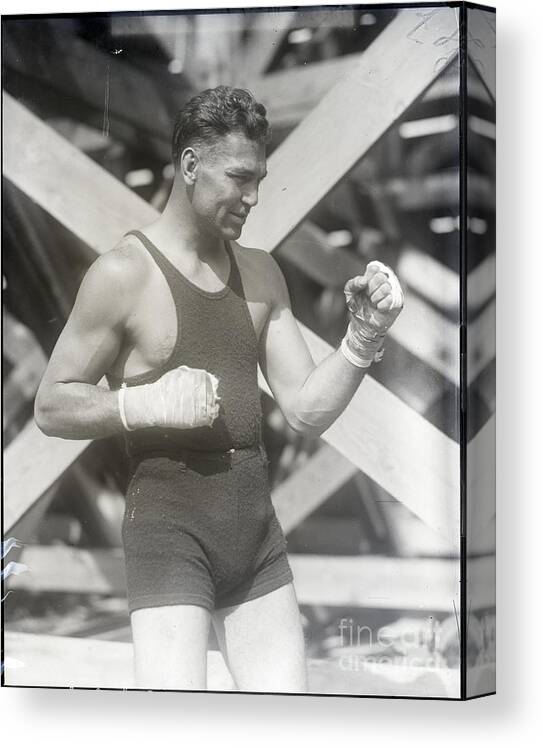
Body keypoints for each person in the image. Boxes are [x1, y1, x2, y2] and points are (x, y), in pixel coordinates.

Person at [34, 86, 403, 692]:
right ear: (189, 166)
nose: (253, 197)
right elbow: (51, 404)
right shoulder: (123, 274)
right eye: (239, 177)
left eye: (259, 178)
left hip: (255, 532)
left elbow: (307, 411)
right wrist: (137, 403)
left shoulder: (261, 273)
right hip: (168, 530)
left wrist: (362, 339)